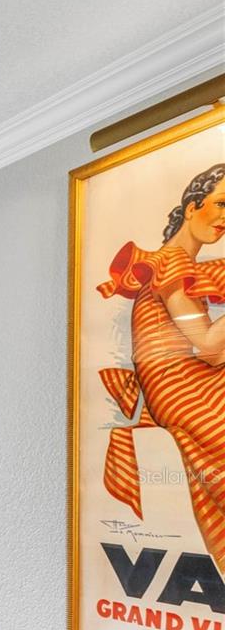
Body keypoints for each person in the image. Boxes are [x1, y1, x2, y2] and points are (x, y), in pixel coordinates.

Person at [98, 162, 225, 571]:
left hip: (188, 384)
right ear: (192, 207)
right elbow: (207, 345)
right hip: (185, 388)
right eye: (221, 205)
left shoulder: (180, 265)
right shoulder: (171, 263)